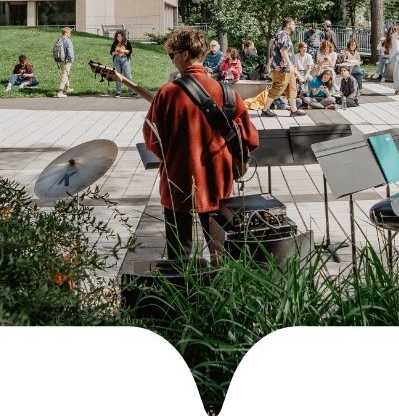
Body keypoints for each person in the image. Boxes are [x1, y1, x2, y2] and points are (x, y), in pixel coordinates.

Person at [143, 28, 259, 260]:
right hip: (217, 180)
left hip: (178, 181)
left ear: (185, 54)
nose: (173, 59)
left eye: (173, 54)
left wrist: (174, 155)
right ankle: (222, 291)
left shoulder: (167, 93)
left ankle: (185, 294)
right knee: (222, 253)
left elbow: (152, 140)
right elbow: (250, 138)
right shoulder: (227, 92)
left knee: (179, 256)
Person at [261, 17, 306, 118]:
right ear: (288, 24)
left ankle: (294, 110)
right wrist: (289, 64)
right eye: (294, 24)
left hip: (287, 68)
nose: (295, 26)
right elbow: (283, 51)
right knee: (278, 87)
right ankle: (265, 110)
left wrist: (293, 69)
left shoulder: (286, 35)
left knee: (292, 87)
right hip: (281, 68)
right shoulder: (282, 34)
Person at [109, 29, 134, 96]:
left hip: (125, 59)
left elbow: (130, 51)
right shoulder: (114, 43)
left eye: (120, 37)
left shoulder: (127, 42)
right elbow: (111, 52)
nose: (119, 38)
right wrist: (115, 52)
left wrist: (123, 50)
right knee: (118, 75)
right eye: (117, 37)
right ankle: (118, 91)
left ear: (123, 37)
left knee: (128, 75)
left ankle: (132, 91)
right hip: (117, 59)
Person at [385, 25, 399, 96]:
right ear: (396, 30)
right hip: (397, 57)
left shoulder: (393, 38)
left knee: (398, 73)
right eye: (398, 29)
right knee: (398, 73)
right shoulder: (394, 36)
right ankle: (398, 89)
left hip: (397, 57)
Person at [54, 26, 74, 98]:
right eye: (70, 33)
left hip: (60, 60)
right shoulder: (68, 40)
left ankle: (67, 88)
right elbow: (70, 53)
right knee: (65, 75)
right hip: (67, 60)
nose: (70, 34)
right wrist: (70, 59)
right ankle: (60, 91)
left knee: (65, 73)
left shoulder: (59, 39)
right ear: (66, 33)